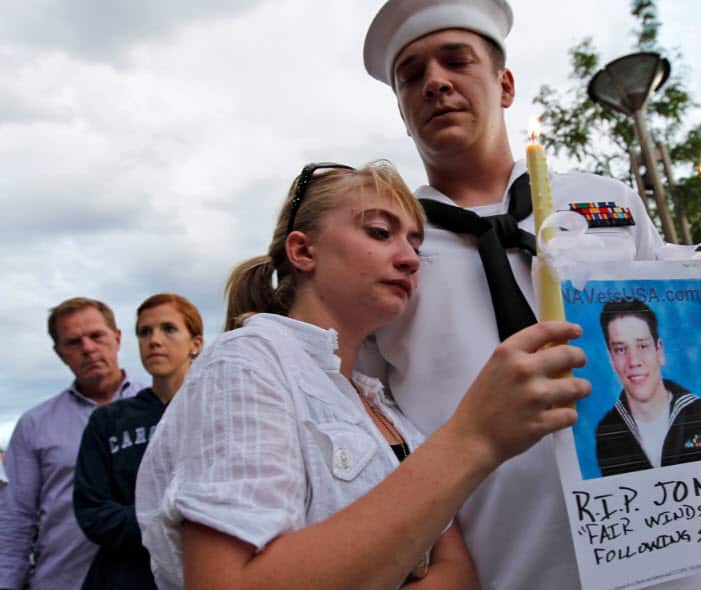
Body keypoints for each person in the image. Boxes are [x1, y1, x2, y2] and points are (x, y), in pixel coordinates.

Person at [360, 1, 701, 588]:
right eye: (411, 75)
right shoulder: (385, 247)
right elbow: (368, 421)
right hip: (504, 563)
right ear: (402, 110)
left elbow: (699, 364)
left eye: (457, 61)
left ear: (504, 85)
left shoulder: (606, 203)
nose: (434, 82)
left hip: (666, 556)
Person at [135, 161, 588, 589]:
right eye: (379, 232)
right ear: (303, 250)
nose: (409, 259)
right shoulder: (247, 361)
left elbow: (456, 573)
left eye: (415, 245)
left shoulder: (377, 400)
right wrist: (475, 438)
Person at [0, 298, 145, 589]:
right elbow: (17, 518)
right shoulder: (35, 425)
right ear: (60, 353)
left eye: (96, 336)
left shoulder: (163, 410)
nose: (88, 348)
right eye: (74, 342)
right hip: (65, 580)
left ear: (117, 338)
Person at [73, 294, 204, 589]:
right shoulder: (108, 421)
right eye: (145, 332)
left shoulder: (218, 412)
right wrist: (171, 522)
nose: (154, 340)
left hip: (199, 572)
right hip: (123, 577)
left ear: (196, 343)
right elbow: (92, 511)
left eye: (168, 329)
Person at [595, 299, 701, 476]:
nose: (633, 361)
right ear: (611, 359)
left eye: (642, 346)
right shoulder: (608, 430)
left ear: (659, 351)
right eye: (620, 349)